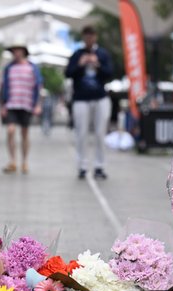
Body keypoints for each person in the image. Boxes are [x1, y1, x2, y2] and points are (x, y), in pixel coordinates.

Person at [65, 25, 113, 179]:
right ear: (83, 38)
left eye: (91, 36)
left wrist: (97, 64)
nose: (89, 39)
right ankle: (82, 166)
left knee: (100, 133)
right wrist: (80, 64)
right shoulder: (77, 54)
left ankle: (99, 166)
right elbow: (68, 73)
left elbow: (110, 73)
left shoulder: (102, 53)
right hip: (81, 99)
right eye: (86, 37)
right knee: (81, 133)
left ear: (95, 37)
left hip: (100, 97)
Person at [0, 38, 43, 174]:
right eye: (14, 50)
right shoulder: (9, 68)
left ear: (23, 51)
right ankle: (13, 160)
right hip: (12, 103)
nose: (16, 53)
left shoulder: (32, 67)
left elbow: (39, 86)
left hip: (26, 103)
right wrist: (3, 104)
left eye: (18, 50)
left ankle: (24, 161)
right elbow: (3, 87)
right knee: (10, 130)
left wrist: (38, 104)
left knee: (25, 133)